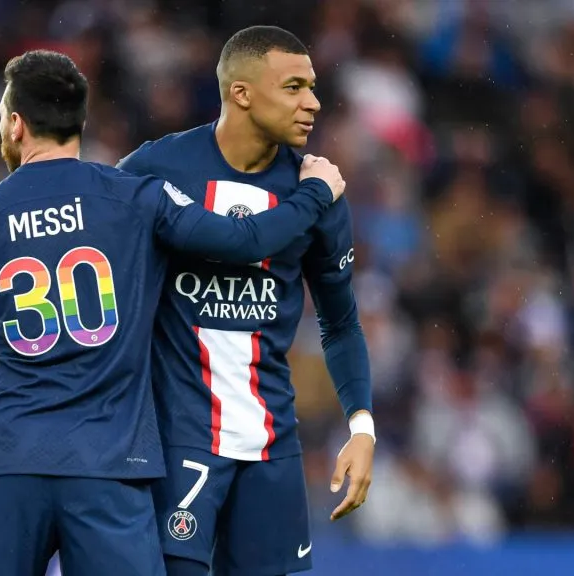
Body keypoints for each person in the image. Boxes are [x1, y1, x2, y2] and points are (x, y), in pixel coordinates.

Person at [0, 49, 345, 576]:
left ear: (15, 124)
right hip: (107, 468)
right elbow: (245, 240)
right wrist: (314, 193)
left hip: (6, 462)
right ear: (79, 122)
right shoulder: (136, 199)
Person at [113, 26, 375, 576]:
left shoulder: (318, 189)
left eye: (313, 87)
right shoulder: (155, 170)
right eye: (294, 87)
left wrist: (361, 426)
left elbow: (341, 323)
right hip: (178, 442)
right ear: (242, 93)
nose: (313, 102)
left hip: (272, 446)